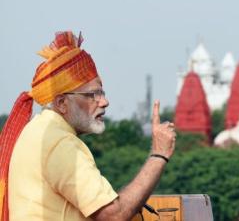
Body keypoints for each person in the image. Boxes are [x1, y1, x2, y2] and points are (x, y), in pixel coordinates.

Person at [0, 31, 176, 221]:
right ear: (62, 103)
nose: (105, 102)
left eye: (102, 93)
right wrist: (159, 154)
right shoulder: (59, 142)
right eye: (93, 95)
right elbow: (113, 215)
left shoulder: (38, 131)